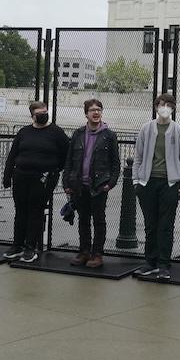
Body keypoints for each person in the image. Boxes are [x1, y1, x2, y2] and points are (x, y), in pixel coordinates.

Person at [131, 93, 180, 281]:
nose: (164, 107)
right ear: (156, 107)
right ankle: (150, 262)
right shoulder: (146, 128)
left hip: (170, 184)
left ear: (173, 108)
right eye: (161, 104)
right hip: (147, 183)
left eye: (168, 104)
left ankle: (164, 264)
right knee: (150, 225)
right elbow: (138, 157)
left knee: (166, 225)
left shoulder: (178, 131)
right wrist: (135, 181)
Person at [2, 100, 69, 262]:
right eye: (39, 113)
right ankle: (17, 245)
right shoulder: (24, 132)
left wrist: (54, 170)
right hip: (21, 176)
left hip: (43, 178)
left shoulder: (56, 132)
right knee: (20, 210)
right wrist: (7, 175)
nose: (43, 115)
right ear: (32, 116)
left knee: (35, 211)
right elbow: (13, 155)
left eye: (45, 112)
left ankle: (30, 247)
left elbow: (66, 155)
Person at [62, 99, 120, 268]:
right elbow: (69, 160)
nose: (96, 112)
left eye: (99, 109)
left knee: (99, 221)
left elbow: (115, 163)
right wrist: (67, 182)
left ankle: (97, 254)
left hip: (99, 186)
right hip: (79, 185)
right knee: (83, 220)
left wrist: (110, 183)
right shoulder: (78, 134)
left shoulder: (109, 135)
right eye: (92, 110)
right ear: (86, 113)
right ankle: (84, 251)